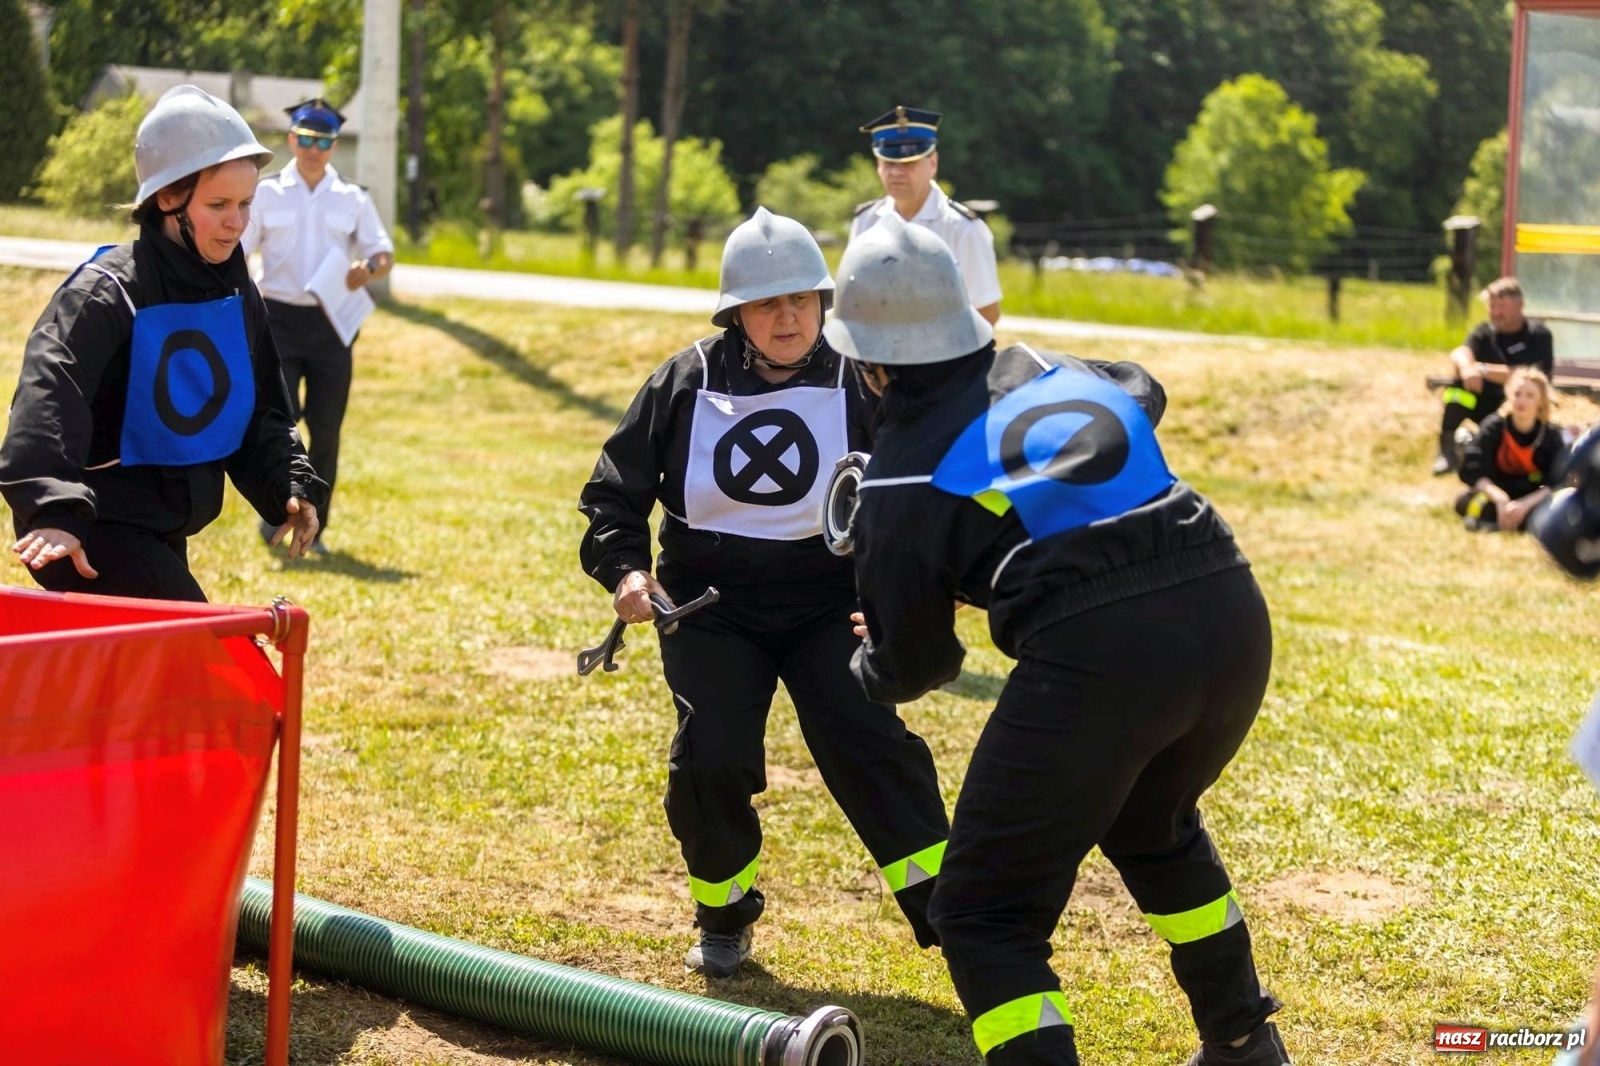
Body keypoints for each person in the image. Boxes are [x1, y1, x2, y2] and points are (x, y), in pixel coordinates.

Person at [825, 215, 1289, 1066]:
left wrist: (869, 656)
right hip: (1228, 603)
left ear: (870, 361)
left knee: (980, 912)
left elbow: (918, 665)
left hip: (1104, 656)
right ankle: (1243, 1039)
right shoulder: (1041, 364)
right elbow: (1139, 388)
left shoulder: (894, 477)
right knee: (1154, 825)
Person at [577, 207, 949, 978]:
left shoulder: (863, 376)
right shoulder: (684, 381)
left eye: (803, 300)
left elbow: (923, 488)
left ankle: (955, 916)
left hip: (828, 603)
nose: (789, 317)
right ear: (736, 314)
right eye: (768, 304)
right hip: (711, 610)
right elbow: (614, 495)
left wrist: (903, 589)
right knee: (710, 756)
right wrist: (626, 572)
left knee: (870, 745)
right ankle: (723, 916)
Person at [0, 85, 326, 601]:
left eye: (245, 203)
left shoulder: (236, 293)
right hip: (87, 535)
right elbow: (47, 398)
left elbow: (259, 408)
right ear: (168, 198)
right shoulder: (106, 293)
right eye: (218, 204)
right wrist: (54, 511)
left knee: (141, 679)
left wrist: (289, 484)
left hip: (159, 529)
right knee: (204, 660)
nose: (236, 222)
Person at [241, 97, 393, 553]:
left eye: (322, 140)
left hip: (331, 325)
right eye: (305, 138)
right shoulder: (265, 192)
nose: (313, 148)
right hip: (277, 321)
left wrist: (367, 267)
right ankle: (276, 517)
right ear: (292, 139)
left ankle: (316, 531)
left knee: (326, 431)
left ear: (332, 144)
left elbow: (382, 253)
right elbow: (240, 251)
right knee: (281, 423)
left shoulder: (352, 196)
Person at [848, 105, 1003, 325]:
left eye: (908, 163)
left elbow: (986, 312)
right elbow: (856, 299)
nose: (896, 172)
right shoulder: (866, 220)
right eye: (888, 162)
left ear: (932, 163)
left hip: (944, 355)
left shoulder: (963, 228)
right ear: (878, 166)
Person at [1434, 277, 1554, 475]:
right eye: (1492, 307)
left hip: (1518, 406)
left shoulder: (1538, 336)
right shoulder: (1484, 332)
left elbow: (1527, 374)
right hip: (1483, 403)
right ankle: (1446, 451)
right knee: (1456, 389)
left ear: (1520, 305)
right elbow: (1460, 352)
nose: (1496, 313)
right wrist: (1466, 367)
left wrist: (1480, 369)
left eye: (1502, 307)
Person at [1455, 366, 1562, 532]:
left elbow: (1558, 479)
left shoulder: (1550, 435)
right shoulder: (1494, 426)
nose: (1522, 401)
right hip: (1497, 493)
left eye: (1530, 396)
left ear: (1541, 400)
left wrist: (1524, 505)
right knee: (1464, 502)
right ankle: (1500, 521)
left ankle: (1510, 522)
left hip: (1532, 498)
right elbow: (1471, 466)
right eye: (1517, 394)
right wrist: (1499, 497)